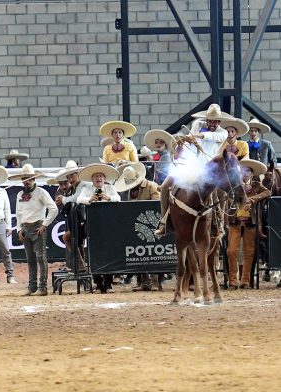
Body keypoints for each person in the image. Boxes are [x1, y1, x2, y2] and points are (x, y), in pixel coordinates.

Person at [155, 104, 234, 236]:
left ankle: (217, 223)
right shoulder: (198, 124)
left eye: (215, 121)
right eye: (210, 120)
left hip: (210, 169)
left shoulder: (223, 132)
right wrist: (186, 139)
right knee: (164, 187)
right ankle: (164, 222)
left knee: (217, 193)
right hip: (190, 165)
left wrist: (199, 136)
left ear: (219, 122)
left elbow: (214, 137)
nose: (212, 123)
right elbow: (190, 138)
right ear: (207, 120)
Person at [9, 164, 58, 296]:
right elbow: (19, 214)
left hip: (37, 227)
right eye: (25, 178)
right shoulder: (20, 194)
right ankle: (32, 286)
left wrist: (44, 225)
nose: (27, 181)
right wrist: (19, 229)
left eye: (30, 178)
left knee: (40, 257)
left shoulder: (41, 192)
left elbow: (53, 208)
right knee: (30, 259)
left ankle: (42, 287)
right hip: (25, 228)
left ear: (34, 179)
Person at [114, 163, 162, 291]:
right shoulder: (129, 191)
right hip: (136, 226)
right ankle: (143, 281)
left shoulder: (151, 186)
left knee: (152, 254)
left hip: (151, 225)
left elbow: (157, 205)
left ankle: (155, 281)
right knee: (138, 255)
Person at [76, 163, 121, 293]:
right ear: (92, 179)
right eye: (96, 176)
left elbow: (118, 198)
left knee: (108, 253)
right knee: (93, 253)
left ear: (104, 178)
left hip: (108, 226)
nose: (99, 178)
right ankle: (98, 283)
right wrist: (90, 199)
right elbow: (79, 199)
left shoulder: (110, 188)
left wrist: (109, 197)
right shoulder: (87, 188)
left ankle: (108, 283)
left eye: (101, 176)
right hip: (93, 226)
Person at [226, 159, 270, 289]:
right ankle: (233, 280)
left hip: (250, 222)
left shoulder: (256, 185)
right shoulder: (234, 185)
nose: (245, 174)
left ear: (251, 174)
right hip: (235, 221)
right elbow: (226, 195)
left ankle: (245, 280)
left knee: (249, 252)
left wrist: (252, 199)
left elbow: (268, 192)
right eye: (243, 171)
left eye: (248, 172)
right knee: (231, 251)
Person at [54, 160, 88, 271]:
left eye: (72, 175)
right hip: (80, 220)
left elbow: (76, 199)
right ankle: (81, 265)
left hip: (87, 220)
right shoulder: (74, 187)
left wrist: (63, 199)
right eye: (68, 176)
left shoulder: (83, 184)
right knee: (72, 239)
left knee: (70, 238)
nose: (70, 178)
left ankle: (81, 265)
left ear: (77, 174)